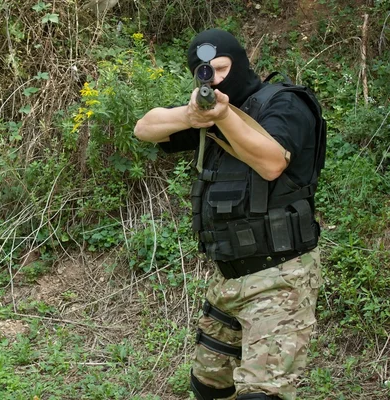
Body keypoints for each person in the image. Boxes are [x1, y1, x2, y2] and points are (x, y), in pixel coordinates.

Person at [134, 29, 325, 400]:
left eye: (222, 68)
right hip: (227, 278)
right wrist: (190, 115)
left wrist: (223, 116)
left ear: (240, 62)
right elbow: (145, 128)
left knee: (261, 395)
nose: (217, 80)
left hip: (280, 275)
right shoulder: (207, 114)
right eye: (206, 73)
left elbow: (272, 163)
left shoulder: (285, 103)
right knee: (208, 388)